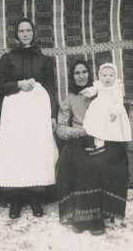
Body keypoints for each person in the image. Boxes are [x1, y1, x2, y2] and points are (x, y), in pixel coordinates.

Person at [0, 18, 58, 219]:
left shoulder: (44, 59)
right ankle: (16, 200)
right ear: (16, 34)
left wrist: (53, 115)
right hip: (15, 112)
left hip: (38, 112)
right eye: (21, 31)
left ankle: (35, 199)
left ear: (34, 32)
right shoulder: (8, 58)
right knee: (17, 151)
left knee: (35, 151)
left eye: (28, 30)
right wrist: (18, 84)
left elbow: (50, 88)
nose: (25, 34)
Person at [56, 59, 129, 236]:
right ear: (72, 76)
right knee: (81, 163)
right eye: (76, 73)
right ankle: (81, 216)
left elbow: (116, 113)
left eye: (84, 72)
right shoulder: (70, 99)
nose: (81, 76)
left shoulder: (102, 91)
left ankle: (98, 216)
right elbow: (61, 129)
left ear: (90, 74)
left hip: (104, 138)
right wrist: (81, 132)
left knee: (102, 162)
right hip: (80, 139)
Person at [81, 63, 132, 155]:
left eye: (111, 76)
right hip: (98, 111)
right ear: (100, 76)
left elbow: (119, 102)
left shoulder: (116, 88)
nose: (107, 78)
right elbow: (94, 90)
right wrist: (87, 91)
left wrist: (115, 112)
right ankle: (97, 146)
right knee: (97, 128)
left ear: (115, 76)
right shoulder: (99, 85)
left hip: (109, 112)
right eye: (104, 75)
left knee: (108, 129)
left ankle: (104, 147)